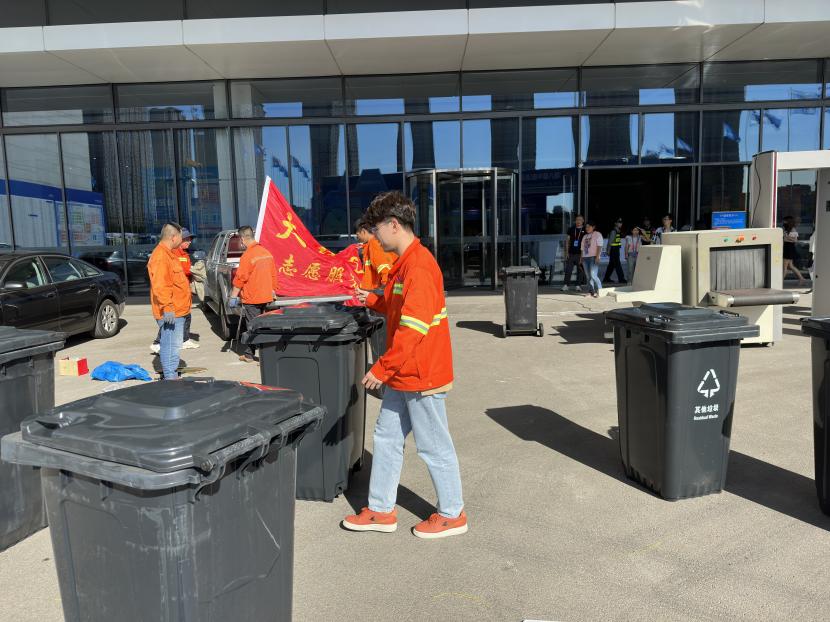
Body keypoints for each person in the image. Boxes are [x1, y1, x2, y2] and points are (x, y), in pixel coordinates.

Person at [343, 191, 466, 539]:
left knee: (433, 446)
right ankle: (381, 510)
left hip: (421, 374)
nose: (375, 237)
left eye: (377, 229)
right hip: (405, 373)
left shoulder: (419, 267)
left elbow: (412, 330)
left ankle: (452, 513)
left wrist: (381, 368)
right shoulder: (405, 264)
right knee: (386, 438)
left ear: (393, 225)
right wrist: (369, 298)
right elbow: (396, 304)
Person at [147, 222, 191, 380]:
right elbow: (161, 285)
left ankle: (171, 376)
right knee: (171, 346)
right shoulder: (161, 256)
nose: (182, 239)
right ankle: (170, 379)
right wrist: (167, 307)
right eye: (181, 236)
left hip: (177, 309)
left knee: (173, 345)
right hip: (172, 311)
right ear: (173, 237)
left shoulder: (169, 254)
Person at [229, 226, 278, 363]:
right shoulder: (266, 252)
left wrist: (233, 297)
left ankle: (251, 355)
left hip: (252, 298)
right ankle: (267, 352)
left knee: (253, 326)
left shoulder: (247, 256)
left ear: (242, 239)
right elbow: (273, 274)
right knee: (264, 326)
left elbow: (240, 279)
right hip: (267, 297)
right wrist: (273, 290)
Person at [150, 228, 198, 354]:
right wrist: (167, 307)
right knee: (169, 326)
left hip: (181, 298)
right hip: (174, 301)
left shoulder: (183, 254)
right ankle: (158, 343)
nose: (189, 242)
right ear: (176, 238)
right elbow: (161, 284)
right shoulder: (167, 255)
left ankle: (184, 339)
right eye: (187, 239)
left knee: (185, 318)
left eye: (190, 239)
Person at [356, 218, 398, 291]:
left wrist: (384, 288)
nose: (357, 238)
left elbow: (384, 267)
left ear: (363, 231)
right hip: (374, 290)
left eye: (357, 235)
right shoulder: (370, 244)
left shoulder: (374, 243)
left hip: (377, 290)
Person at [561, 214, 586, 292]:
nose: (578, 221)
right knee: (568, 270)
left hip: (581, 254)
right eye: (577, 220)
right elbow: (567, 241)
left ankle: (578, 285)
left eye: (580, 220)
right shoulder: (571, 229)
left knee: (580, 270)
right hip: (571, 253)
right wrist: (566, 252)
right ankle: (566, 285)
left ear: (583, 221)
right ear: (575, 221)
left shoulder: (585, 229)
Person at [581, 221, 603, 298]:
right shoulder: (585, 236)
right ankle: (591, 292)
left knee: (593, 275)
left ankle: (600, 290)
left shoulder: (597, 234)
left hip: (593, 257)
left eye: (589, 226)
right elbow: (582, 248)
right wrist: (581, 258)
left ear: (593, 227)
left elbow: (600, 246)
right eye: (586, 227)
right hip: (585, 258)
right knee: (588, 276)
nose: (587, 228)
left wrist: (597, 256)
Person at [782, 216, 807, 286]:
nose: (783, 222)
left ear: (788, 222)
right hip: (787, 248)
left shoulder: (793, 229)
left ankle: (780, 282)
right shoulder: (787, 229)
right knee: (790, 266)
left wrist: (786, 237)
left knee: (784, 267)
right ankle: (802, 278)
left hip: (789, 249)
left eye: (785, 221)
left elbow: (795, 240)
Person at [603, 218, 626, 284]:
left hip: (616, 249)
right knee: (617, 264)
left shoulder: (618, 231)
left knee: (611, 265)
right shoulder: (614, 231)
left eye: (621, 223)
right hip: (613, 250)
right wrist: (608, 250)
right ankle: (621, 279)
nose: (620, 224)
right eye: (619, 223)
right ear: (615, 223)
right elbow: (610, 242)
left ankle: (606, 278)